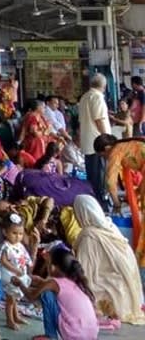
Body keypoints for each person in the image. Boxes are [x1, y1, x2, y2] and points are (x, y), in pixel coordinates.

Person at [66, 195, 145, 324]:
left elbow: (83, 273)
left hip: (110, 291)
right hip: (127, 293)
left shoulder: (90, 237)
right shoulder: (110, 226)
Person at [15, 246, 97, 340]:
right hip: (91, 335)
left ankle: (51, 336)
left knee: (46, 295)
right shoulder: (76, 281)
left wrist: (20, 284)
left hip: (73, 334)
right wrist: (41, 281)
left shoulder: (53, 283)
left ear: (52, 267)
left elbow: (31, 296)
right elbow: (59, 287)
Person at [94, 133, 145, 265]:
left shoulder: (115, 151)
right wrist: (138, 192)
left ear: (106, 149)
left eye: (102, 156)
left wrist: (116, 204)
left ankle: (142, 261)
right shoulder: (126, 145)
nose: (105, 159)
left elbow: (110, 183)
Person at [77, 73, 110, 205]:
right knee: (100, 177)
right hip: (98, 144)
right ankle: (101, 204)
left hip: (88, 142)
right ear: (104, 86)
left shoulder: (85, 97)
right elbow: (99, 120)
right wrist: (107, 140)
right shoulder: (97, 97)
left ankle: (94, 202)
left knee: (92, 176)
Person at [0, 216, 32, 330]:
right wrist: (15, 270)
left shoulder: (20, 245)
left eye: (20, 234)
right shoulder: (5, 246)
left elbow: (25, 257)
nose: (17, 236)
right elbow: (3, 261)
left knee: (15, 298)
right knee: (10, 300)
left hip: (19, 275)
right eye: (14, 233)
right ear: (5, 232)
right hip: (10, 277)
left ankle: (16, 316)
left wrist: (27, 267)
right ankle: (9, 320)